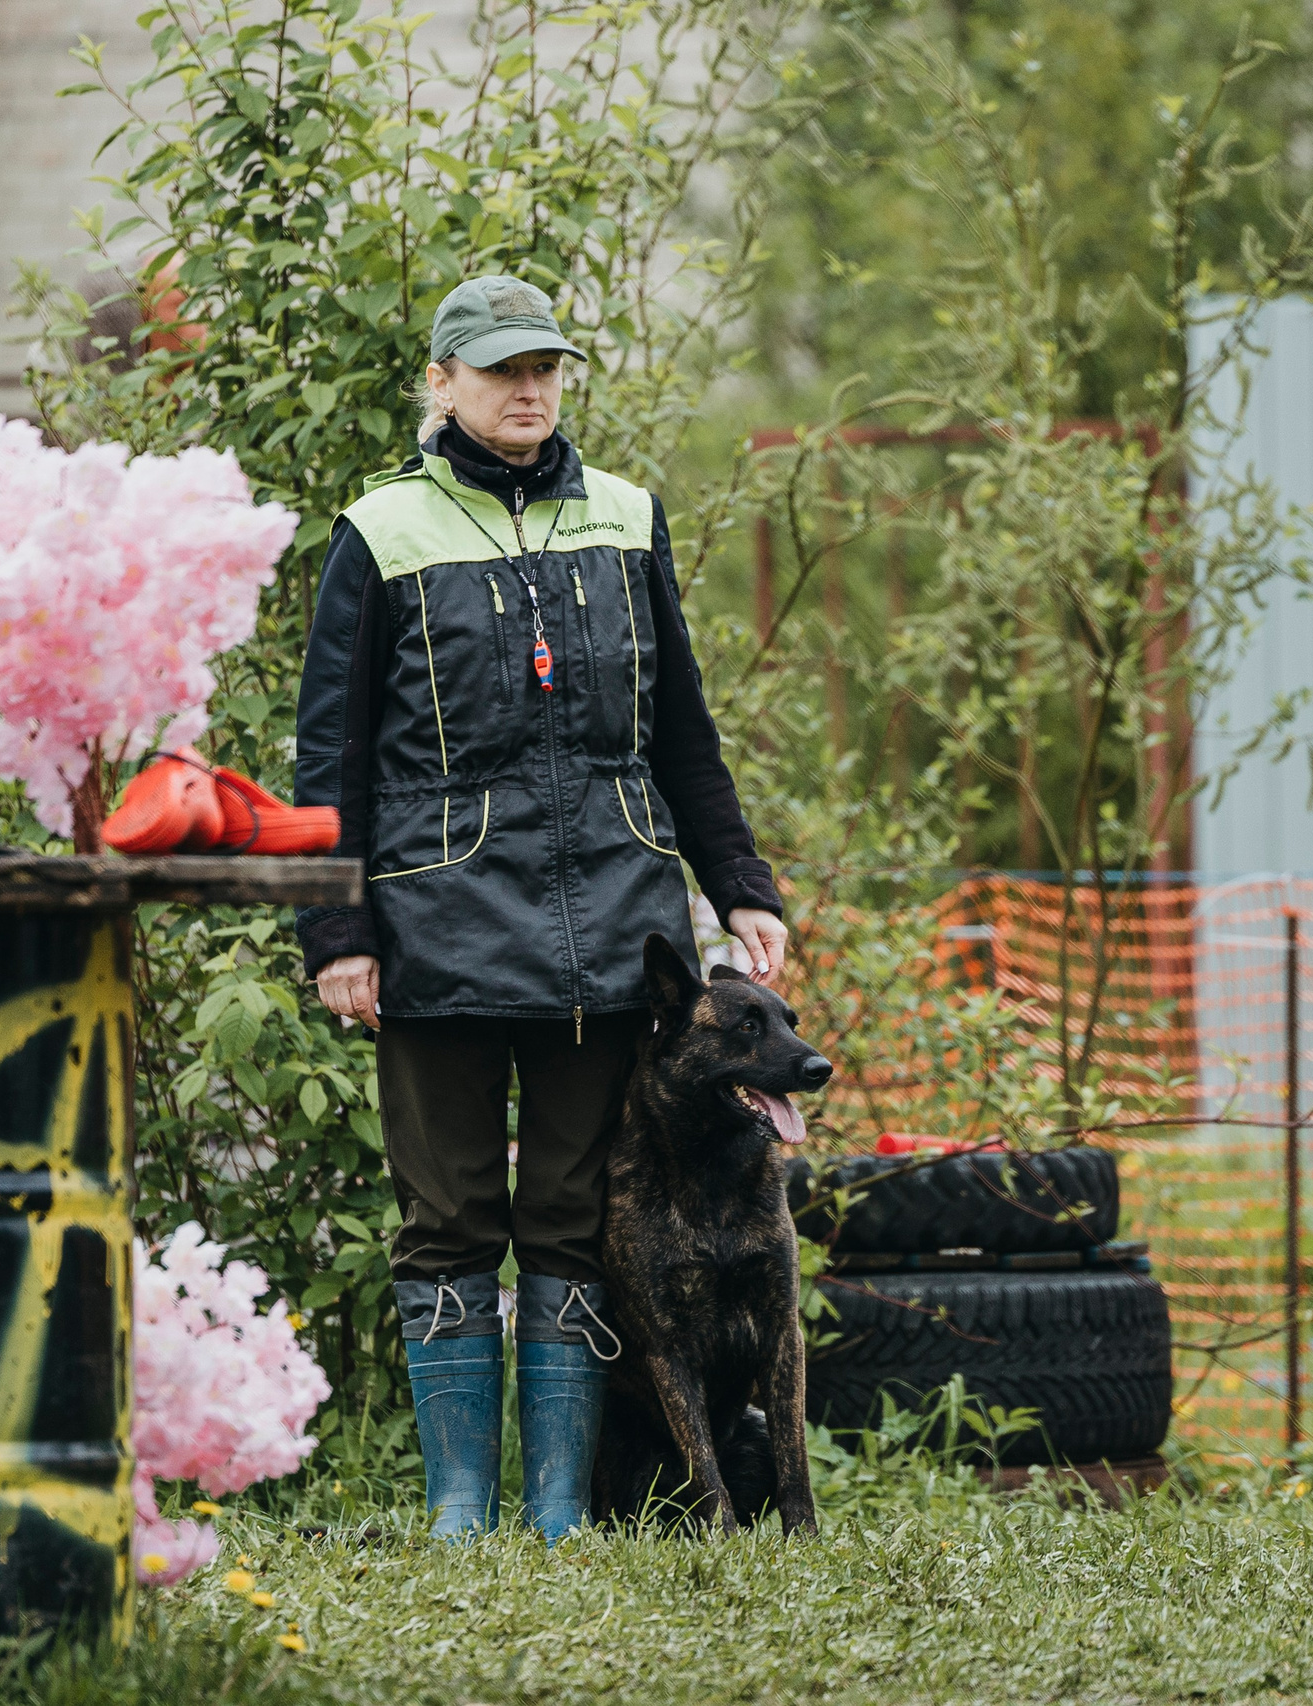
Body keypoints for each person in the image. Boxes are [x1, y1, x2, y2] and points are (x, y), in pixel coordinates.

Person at [293, 275, 787, 1537]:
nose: (529, 390)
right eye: (501, 368)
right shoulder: (380, 532)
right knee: (449, 1218)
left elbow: (682, 727)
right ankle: (464, 1501)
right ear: (440, 382)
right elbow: (328, 761)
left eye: (547, 368)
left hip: (613, 936)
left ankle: (563, 1503)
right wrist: (336, 931)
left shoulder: (626, 519)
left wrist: (738, 886)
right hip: (432, 932)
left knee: (572, 1222)